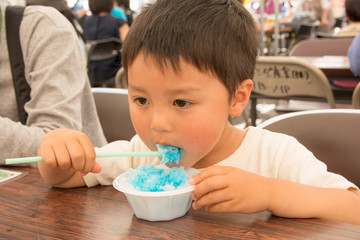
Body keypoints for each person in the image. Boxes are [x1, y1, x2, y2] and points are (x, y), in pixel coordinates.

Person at [37, 0, 360, 225]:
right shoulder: (140, 154)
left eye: (180, 103)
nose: (157, 125)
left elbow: (353, 210)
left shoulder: (274, 155)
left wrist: (271, 192)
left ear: (237, 98)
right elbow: (67, 179)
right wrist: (59, 154)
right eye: (141, 100)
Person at [0, 1, 107, 166]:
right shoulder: (116, 20)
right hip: (101, 70)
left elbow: (57, 143)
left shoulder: (45, 27)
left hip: (78, 180)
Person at [79, 0, 129, 87]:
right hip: (113, 76)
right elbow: (129, 45)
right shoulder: (119, 23)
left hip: (89, 76)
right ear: (110, 3)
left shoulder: (83, 22)